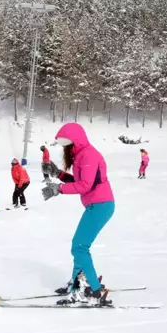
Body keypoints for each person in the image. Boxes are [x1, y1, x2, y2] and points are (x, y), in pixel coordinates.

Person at [41, 122, 115, 306]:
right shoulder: (83, 154)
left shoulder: (88, 155)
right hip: (97, 204)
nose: (64, 149)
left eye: (66, 145)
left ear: (75, 141)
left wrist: (59, 189)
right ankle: (77, 283)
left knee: (79, 247)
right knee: (79, 246)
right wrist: (58, 174)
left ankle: (93, 291)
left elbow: (85, 185)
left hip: (100, 205)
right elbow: (81, 180)